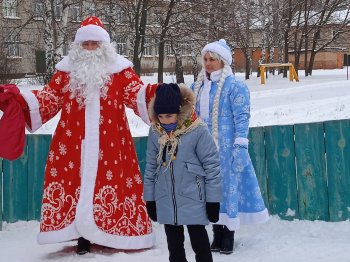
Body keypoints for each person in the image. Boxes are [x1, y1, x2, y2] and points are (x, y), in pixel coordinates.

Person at [0, 16, 158, 254]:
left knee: (110, 183)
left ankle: (115, 235)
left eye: (95, 43)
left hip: (111, 144)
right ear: (79, 46)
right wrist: (18, 100)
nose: (91, 48)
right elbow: (49, 98)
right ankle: (80, 236)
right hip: (72, 143)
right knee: (74, 184)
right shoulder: (66, 72)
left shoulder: (120, 71)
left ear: (104, 45)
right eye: (86, 44)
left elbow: (135, 93)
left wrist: (158, 94)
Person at [191, 39, 269, 254]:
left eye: (212, 59)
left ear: (222, 61)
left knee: (228, 187)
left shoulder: (235, 86)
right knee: (210, 190)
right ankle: (216, 232)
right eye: (205, 59)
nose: (208, 63)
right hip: (203, 148)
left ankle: (229, 234)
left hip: (227, 148)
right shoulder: (196, 86)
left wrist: (240, 145)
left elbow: (242, 117)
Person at [143, 83, 222, 262]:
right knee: (175, 248)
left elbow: (212, 166)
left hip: (193, 197)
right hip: (165, 199)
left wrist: (213, 201)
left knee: (200, 244)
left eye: (169, 116)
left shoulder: (197, 130)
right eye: (160, 116)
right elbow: (150, 167)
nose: (165, 121)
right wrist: (150, 199)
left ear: (179, 112)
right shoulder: (156, 132)